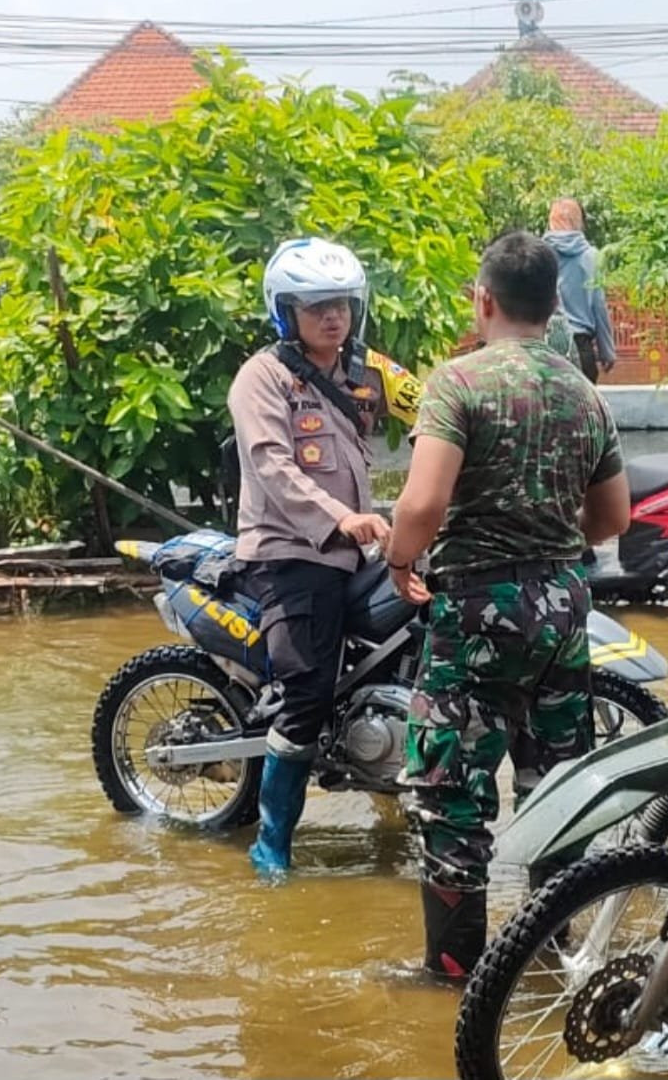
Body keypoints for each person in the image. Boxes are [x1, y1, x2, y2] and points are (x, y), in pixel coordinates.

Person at [385, 230, 631, 979]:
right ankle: (552, 957)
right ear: (555, 304)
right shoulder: (585, 393)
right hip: (563, 607)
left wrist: (399, 559)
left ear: (483, 299)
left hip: (476, 612)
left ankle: (455, 974)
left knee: (452, 793)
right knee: (554, 783)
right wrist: (550, 538)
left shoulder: (457, 384)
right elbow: (613, 518)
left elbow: (423, 503)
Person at [228, 237, 391, 878]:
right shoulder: (262, 377)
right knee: (308, 692)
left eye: (342, 304)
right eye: (317, 306)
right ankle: (271, 843)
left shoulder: (364, 371)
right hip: (290, 553)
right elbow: (272, 465)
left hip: (355, 550)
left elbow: (434, 407)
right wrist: (341, 518)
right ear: (285, 311)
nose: (333, 317)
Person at [543, 197, 617, 384]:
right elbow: (598, 305)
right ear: (580, 223)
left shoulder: (539, 254)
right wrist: (607, 350)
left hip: (546, 347)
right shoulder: (591, 257)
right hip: (581, 346)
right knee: (583, 403)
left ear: (551, 221)